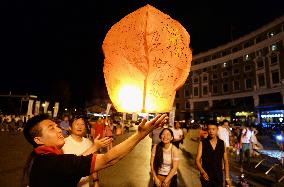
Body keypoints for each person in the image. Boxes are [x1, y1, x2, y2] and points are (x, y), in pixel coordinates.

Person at [22, 113, 168, 187]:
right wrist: (140, 134)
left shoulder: (39, 159)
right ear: (38, 140)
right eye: (51, 128)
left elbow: (78, 162)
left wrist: (94, 147)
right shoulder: (54, 162)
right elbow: (108, 159)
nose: (59, 130)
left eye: (57, 126)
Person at [62, 116, 112, 187]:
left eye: (82, 124)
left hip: (85, 184)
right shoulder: (63, 143)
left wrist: (96, 181)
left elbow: (93, 163)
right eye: (77, 124)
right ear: (70, 127)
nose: (80, 127)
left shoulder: (89, 143)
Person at [196, 120, 232, 187]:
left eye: (213, 129)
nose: (211, 131)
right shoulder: (202, 143)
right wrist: (202, 171)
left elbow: (226, 161)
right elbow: (197, 160)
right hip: (206, 175)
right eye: (209, 129)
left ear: (217, 130)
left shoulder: (222, 143)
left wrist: (227, 177)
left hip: (218, 175)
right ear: (207, 130)